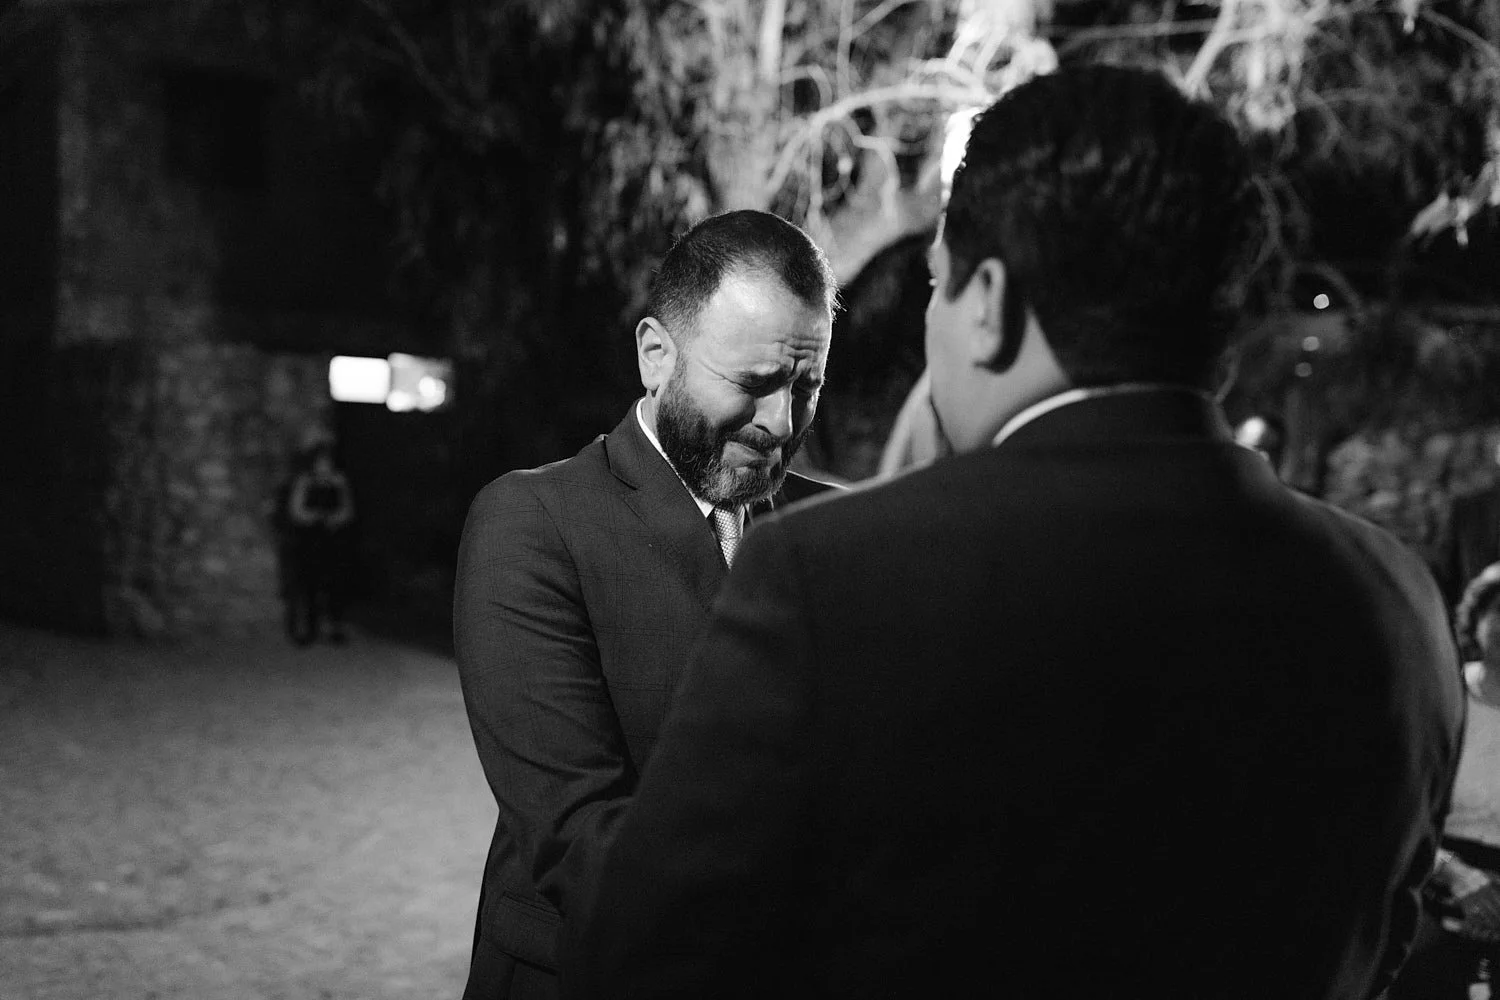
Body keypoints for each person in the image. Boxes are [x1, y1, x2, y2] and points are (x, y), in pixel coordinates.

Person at [561, 66, 1466, 1000]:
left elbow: (648, 950)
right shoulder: (1394, 601)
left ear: (988, 302)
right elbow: (1386, 936)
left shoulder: (835, 578)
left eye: (937, 284)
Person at [452, 209, 839, 999]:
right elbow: (575, 834)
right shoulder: (533, 522)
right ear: (656, 355)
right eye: (755, 384)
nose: (781, 423)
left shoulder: (838, 527)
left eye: (807, 387)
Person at [284, 444, 355, 645]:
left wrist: (334, 518)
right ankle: (309, 628)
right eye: (320, 463)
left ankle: (335, 626)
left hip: (333, 541)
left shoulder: (339, 482)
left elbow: (348, 510)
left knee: (335, 584)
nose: (324, 467)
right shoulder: (304, 482)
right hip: (310, 542)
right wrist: (314, 517)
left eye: (327, 463)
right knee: (309, 585)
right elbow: (296, 511)